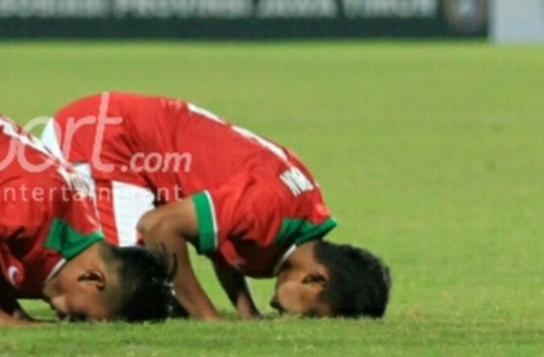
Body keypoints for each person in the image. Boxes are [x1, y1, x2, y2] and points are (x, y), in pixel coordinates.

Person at [42, 93, 391, 319]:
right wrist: (208, 316)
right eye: (312, 315)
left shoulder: (299, 209)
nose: (297, 321)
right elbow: (158, 227)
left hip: (128, 142)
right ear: (316, 279)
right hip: (107, 139)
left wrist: (245, 310)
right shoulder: (268, 204)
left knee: (159, 294)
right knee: (129, 291)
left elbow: (225, 233)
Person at [0, 89, 173, 325]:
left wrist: (14, 314)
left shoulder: (67, 236)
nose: (67, 321)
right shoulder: (35, 203)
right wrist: (5, 323)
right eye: (81, 317)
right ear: (94, 277)